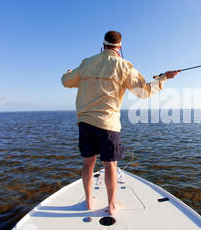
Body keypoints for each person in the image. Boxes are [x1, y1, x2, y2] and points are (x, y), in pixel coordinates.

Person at [61, 31, 180, 215]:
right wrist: (164, 77)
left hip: (85, 122)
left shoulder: (86, 63)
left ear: (103, 46)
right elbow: (145, 92)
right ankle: (111, 206)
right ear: (120, 47)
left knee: (88, 164)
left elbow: (67, 82)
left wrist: (68, 73)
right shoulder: (124, 66)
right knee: (110, 165)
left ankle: (88, 202)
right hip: (108, 124)